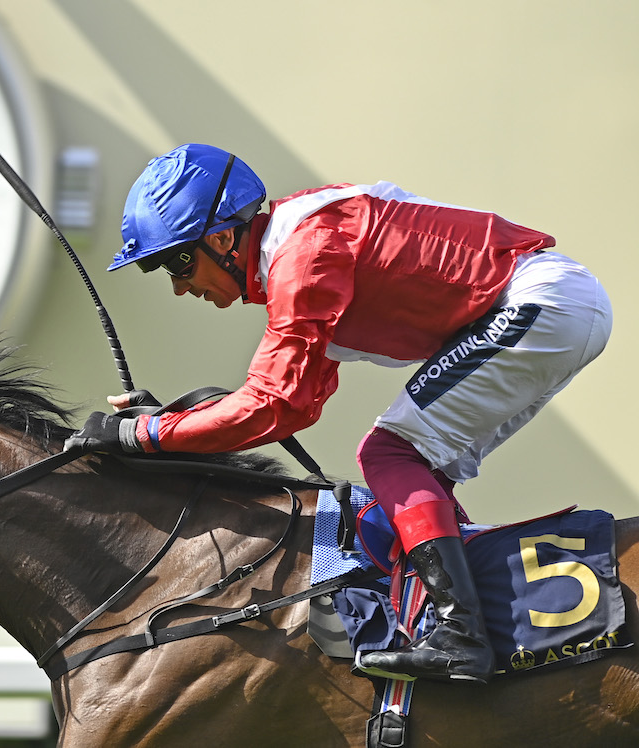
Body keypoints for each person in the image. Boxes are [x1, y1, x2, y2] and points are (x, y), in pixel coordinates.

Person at [64, 143, 612, 684]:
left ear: (224, 237)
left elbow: (271, 404)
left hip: (539, 303)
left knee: (390, 452)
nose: (181, 287)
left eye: (178, 263)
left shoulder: (304, 256)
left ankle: (461, 635)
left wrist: (144, 436)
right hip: (551, 306)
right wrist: (167, 426)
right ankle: (456, 617)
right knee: (419, 473)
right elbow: (295, 404)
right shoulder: (301, 249)